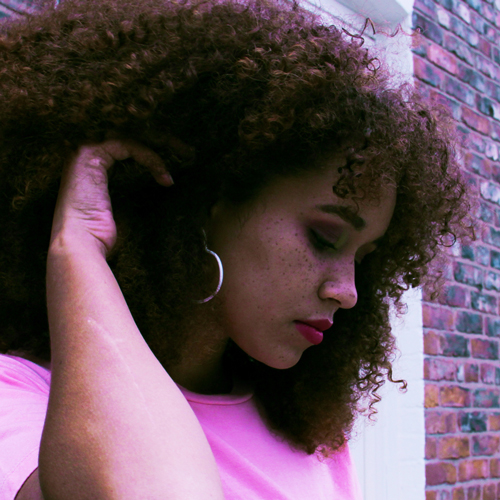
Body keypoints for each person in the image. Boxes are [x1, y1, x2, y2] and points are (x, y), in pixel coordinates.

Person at [0, 0, 472, 498]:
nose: (348, 291)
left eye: (362, 257)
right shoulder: (22, 401)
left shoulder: (304, 432)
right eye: (324, 237)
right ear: (207, 203)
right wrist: (78, 250)